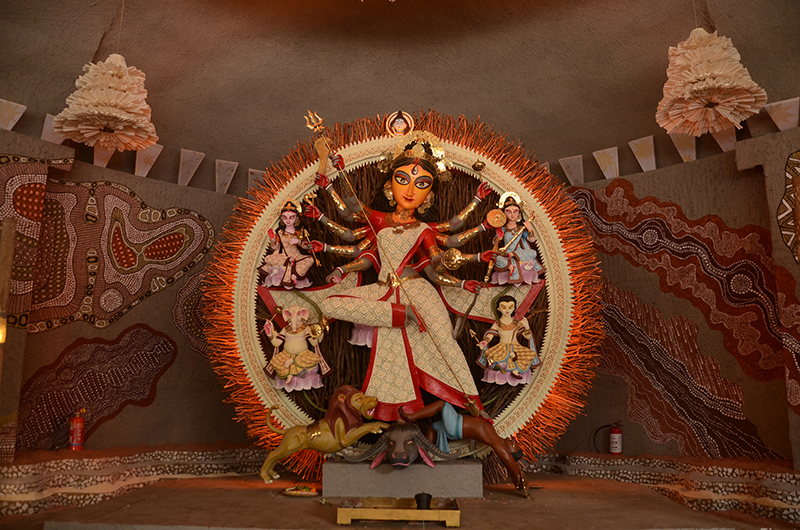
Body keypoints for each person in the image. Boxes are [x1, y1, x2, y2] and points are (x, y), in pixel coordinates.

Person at [315, 131, 496, 421]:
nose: (410, 190)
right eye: (402, 180)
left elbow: (437, 263)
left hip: (418, 290)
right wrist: (334, 180)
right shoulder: (379, 220)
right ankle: (400, 315)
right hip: (383, 291)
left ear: (429, 195)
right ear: (390, 186)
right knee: (329, 303)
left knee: (445, 343)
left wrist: (456, 273)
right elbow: (352, 212)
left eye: (421, 184)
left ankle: (475, 406)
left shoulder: (424, 230)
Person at [477, 295, 541, 385]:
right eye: (504, 307)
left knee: (530, 354)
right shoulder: (497, 323)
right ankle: (509, 356)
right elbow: (490, 335)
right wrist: (485, 342)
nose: (507, 310)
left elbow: (527, 337)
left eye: (510, 307)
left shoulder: (517, 323)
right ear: (499, 309)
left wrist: (527, 327)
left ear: (514, 308)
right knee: (489, 354)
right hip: (502, 346)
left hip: (516, 346)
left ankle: (516, 370)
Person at [259, 201, 315, 289]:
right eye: (285, 218)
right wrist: (272, 239)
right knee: (268, 258)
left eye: (291, 217)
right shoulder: (280, 232)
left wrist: (298, 242)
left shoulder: (299, 232)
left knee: (310, 260)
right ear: (282, 218)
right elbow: (275, 247)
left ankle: (294, 275)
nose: (288, 221)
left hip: (297, 257)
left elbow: (306, 247)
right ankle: (289, 261)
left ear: (296, 218)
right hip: (284, 257)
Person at [491, 192, 543, 285]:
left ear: (519, 213)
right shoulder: (503, 228)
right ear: (504, 213)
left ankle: (514, 257)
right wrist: (498, 238)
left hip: (519, 253)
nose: (512, 215)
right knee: (495, 258)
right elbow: (495, 242)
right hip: (507, 253)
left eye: (515, 211)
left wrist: (530, 229)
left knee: (533, 253)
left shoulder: (521, 228)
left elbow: (531, 240)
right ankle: (510, 266)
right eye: (508, 211)